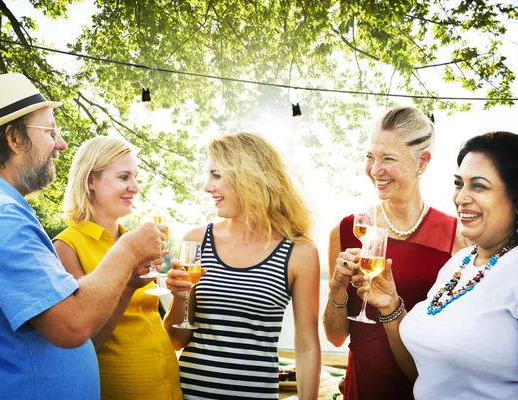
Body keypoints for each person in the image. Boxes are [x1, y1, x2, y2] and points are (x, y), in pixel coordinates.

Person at [0, 73, 166, 398]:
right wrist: (129, 249)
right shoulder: (0, 215)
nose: (61, 144)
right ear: (15, 139)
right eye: (50, 131)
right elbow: (71, 325)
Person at [358, 131, 518, 399]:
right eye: (459, 183)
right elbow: (425, 373)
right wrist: (390, 305)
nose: (461, 197)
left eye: (478, 186)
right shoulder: (459, 262)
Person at [163, 132, 322, 400]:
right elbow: (176, 340)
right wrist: (179, 298)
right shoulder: (196, 240)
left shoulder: (300, 252)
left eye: (216, 175)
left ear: (249, 177)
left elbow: (306, 345)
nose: (206, 187)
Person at [323, 106, 465, 399]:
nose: (375, 170)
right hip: (363, 386)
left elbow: (456, 339)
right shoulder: (346, 230)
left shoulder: (457, 238)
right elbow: (336, 337)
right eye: (370, 157)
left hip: (425, 388)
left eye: (388, 158)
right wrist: (337, 288)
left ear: (422, 162)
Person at [53, 136, 182, 399]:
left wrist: (181, 297)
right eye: (123, 177)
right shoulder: (67, 246)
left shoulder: (134, 241)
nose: (134, 187)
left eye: (135, 177)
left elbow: (158, 327)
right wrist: (127, 285)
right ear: (91, 181)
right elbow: (85, 342)